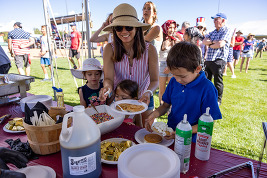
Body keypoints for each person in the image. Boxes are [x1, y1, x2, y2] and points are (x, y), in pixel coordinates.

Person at [145, 42, 222, 142]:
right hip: (171, 134)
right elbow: (165, 106)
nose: (177, 80)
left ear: (197, 69)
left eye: (182, 76)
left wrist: (183, 132)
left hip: (193, 141)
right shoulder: (173, 81)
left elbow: (208, 123)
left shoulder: (207, 88)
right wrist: (154, 115)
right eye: (174, 74)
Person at [100, 3, 159, 127]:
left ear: (136, 28)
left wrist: (148, 92)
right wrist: (107, 89)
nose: (124, 31)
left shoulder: (150, 50)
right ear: (114, 31)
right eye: (119, 28)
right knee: (121, 130)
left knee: (145, 130)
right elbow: (109, 79)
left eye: (128, 27)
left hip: (144, 97)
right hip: (120, 100)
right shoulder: (109, 49)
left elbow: (155, 80)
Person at [202, 13, 231, 105]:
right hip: (209, 59)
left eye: (216, 19)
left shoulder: (226, 30)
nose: (214, 22)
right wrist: (214, 43)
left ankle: (218, 100)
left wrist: (210, 43)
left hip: (219, 59)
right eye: (214, 20)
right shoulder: (213, 32)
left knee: (218, 81)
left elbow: (221, 44)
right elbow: (204, 41)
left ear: (223, 20)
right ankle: (206, 97)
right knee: (206, 80)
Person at [158, 20, 179, 105]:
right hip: (161, 65)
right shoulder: (160, 38)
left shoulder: (176, 40)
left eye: (173, 27)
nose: (172, 29)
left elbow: (177, 55)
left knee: (171, 89)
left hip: (172, 65)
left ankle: (169, 109)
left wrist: (170, 66)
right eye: (170, 27)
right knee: (162, 89)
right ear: (165, 27)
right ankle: (161, 106)